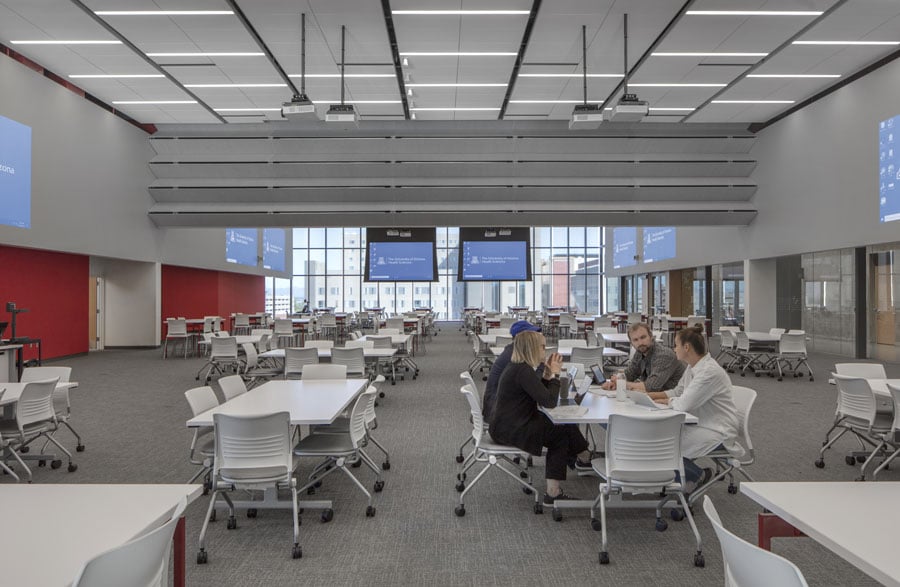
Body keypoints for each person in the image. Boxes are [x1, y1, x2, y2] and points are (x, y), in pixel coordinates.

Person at [490, 330, 592, 503]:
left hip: (507, 423)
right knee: (558, 434)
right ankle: (554, 493)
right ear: (531, 348)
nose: (546, 350)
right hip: (511, 429)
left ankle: (583, 456)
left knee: (562, 424)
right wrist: (555, 375)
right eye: (543, 347)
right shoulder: (522, 371)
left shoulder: (519, 367)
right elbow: (549, 402)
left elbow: (537, 393)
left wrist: (546, 377)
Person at [646, 325, 742, 491]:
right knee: (658, 439)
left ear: (687, 347)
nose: (673, 348)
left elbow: (683, 404)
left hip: (718, 430)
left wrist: (666, 402)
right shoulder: (693, 366)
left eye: (676, 345)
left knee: (663, 444)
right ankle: (687, 475)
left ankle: (696, 476)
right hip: (701, 423)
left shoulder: (708, 372)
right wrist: (652, 396)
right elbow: (678, 392)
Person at [482, 319, 541, 422]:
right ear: (522, 338)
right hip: (498, 412)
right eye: (532, 335)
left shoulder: (513, 351)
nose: (536, 338)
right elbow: (533, 385)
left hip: (497, 406)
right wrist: (543, 365)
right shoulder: (514, 358)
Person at [601, 322, 685, 393]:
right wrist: (614, 382)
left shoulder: (664, 355)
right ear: (631, 343)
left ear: (651, 336)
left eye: (643, 337)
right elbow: (630, 374)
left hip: (672, 402)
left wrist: (620, 383)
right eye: (635, 340)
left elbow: (651, 387)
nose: (640, 342)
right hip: (655, 400)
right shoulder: (640, 351)